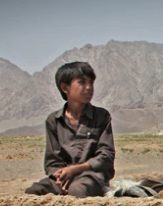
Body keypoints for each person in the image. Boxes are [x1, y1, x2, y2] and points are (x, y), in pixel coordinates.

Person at [25, 61, 115, 197]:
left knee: (77, 190)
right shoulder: (54, 120)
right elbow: (52, 160)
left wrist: (75, 169)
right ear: (65, 88)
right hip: (64, 178)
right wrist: (60, 177)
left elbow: (106, 155)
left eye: (91, 82)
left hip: (92, 177)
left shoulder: (101, 116)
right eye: (82, 82)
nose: (89, 88)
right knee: (34, 192)